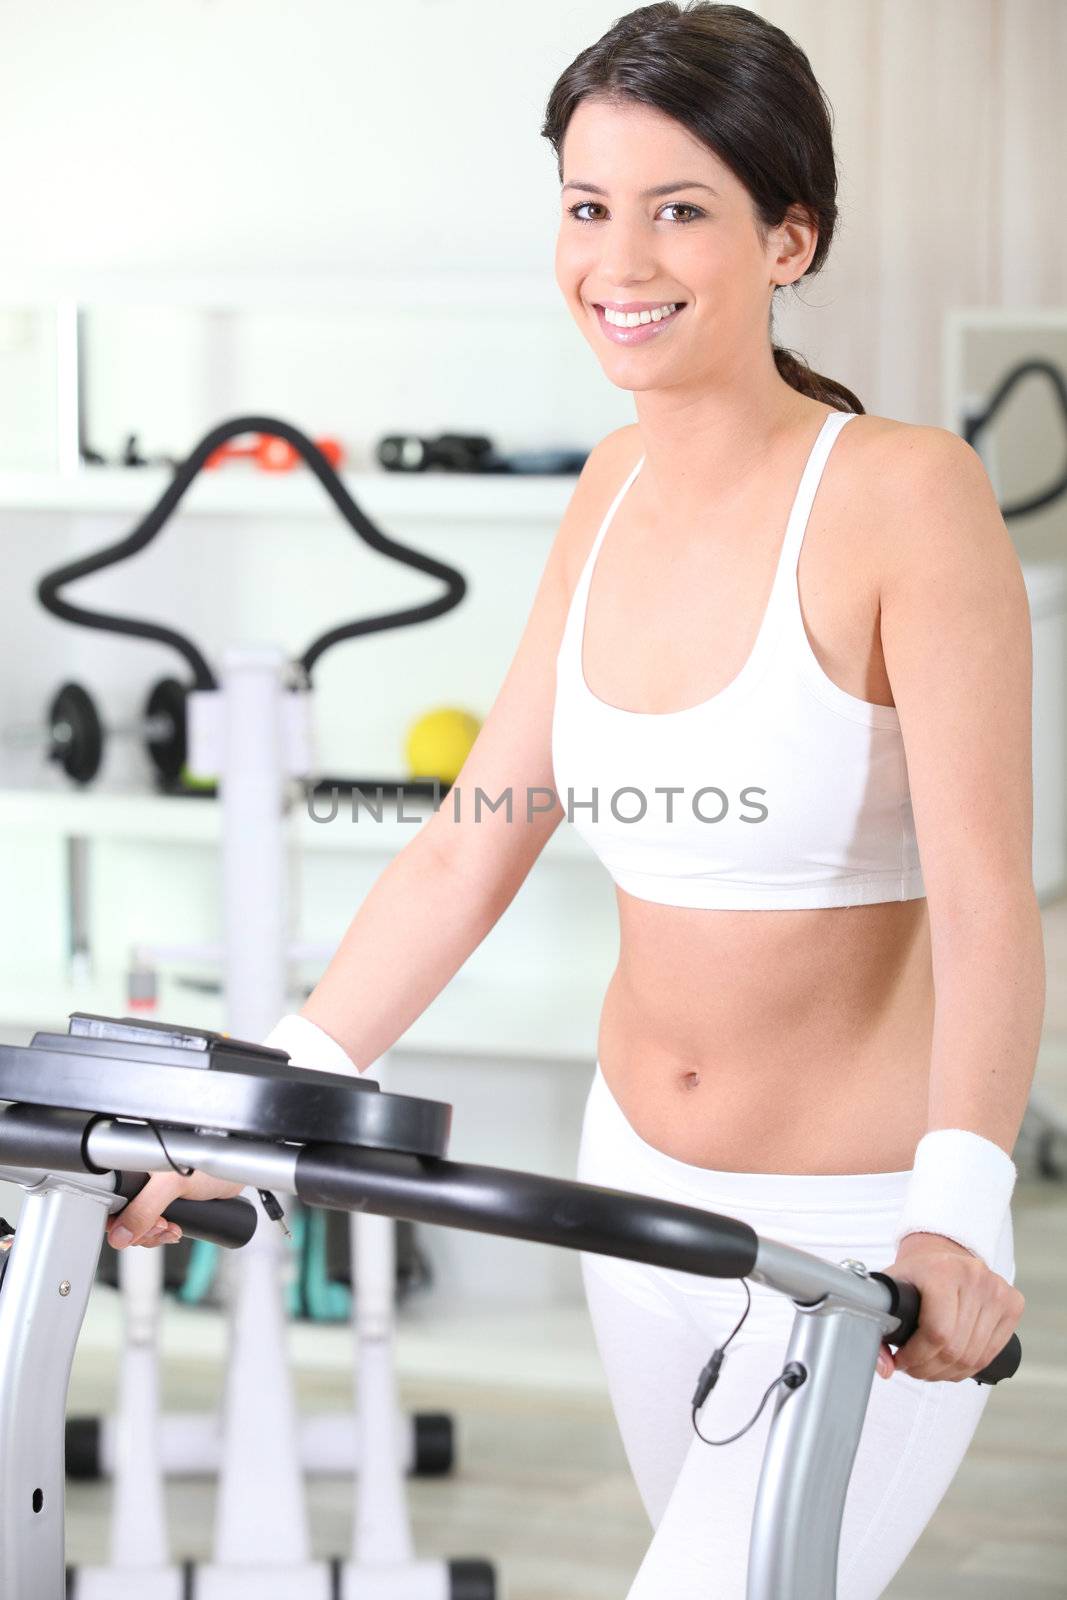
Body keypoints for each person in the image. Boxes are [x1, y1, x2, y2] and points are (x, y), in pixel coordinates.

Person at [112, 4, 1040, 1594]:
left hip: (855, 1237)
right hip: (641, 1201)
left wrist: (961, 1213)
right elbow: (476, 838)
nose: (623, 259)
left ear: (789, 235)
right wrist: (274, 1103)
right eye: (589, 206)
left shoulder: (904, 496)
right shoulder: (608, 488)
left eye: (682, 209)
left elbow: (986, 897)